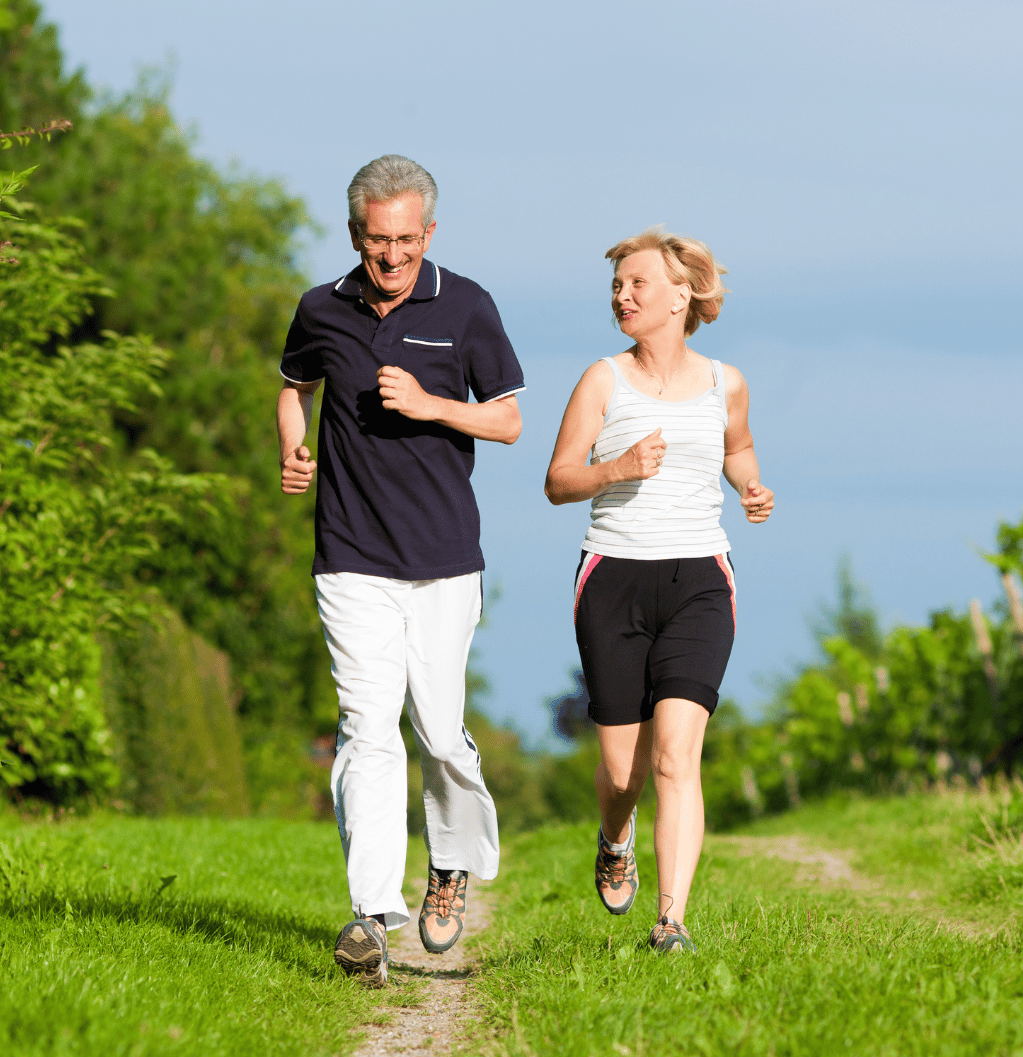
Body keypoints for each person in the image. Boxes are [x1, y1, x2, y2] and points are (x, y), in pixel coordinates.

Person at [277, 154, 525, 986]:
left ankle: (449, 865)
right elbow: (291, 385)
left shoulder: (467, 305)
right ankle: (370, 914)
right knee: (366, 725)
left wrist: (430, 406)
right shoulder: (321, 308)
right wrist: (294, 445)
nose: (392, 258)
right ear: (356, 235)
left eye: (407, 242)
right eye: (378, 242)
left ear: (429, 233)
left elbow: (510, 422)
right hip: (350, 556)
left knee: (439, 731)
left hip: (445, 560)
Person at [544, 227, 773, 954]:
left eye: (636, 283)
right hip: (613, 575)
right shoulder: (602, 380)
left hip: (700, 579)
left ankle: (670, 921)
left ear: (682, 295)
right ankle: (615, 836)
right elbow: (558, 480)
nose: (622, 296)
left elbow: (737, 448)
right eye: (616, 286)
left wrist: (750, 487)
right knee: (623, 770)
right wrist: (618, 468)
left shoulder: (725, 382)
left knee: (677, 753)